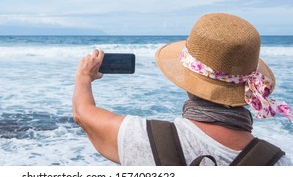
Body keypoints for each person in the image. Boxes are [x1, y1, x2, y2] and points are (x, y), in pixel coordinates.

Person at [72, 13, 293, 165]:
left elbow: (83, 114)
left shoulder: (144, 139)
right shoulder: (278, 163)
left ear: (189, 79)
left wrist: (83, 77)